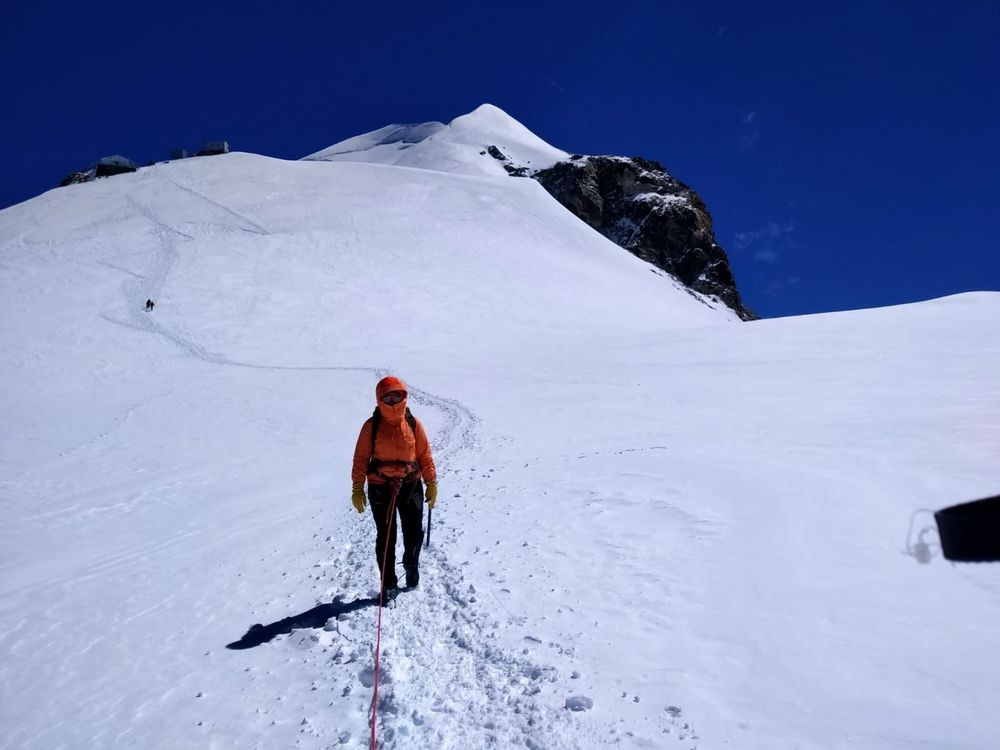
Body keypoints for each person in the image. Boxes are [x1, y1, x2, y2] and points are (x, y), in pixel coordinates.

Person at [351, 376, 437, 601]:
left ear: (403, 396)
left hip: (410, 484)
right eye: (387, 395)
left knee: (414, 533)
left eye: (396, 394)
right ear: (380, 398)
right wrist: (358, 486)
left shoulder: (413, 423)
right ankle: (388, 583)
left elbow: (424, 455)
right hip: (381, 487)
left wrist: (432, 483)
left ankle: (411, 565)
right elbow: (361, 458)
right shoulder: (371, 426)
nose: (392, 399)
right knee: (386, 537)